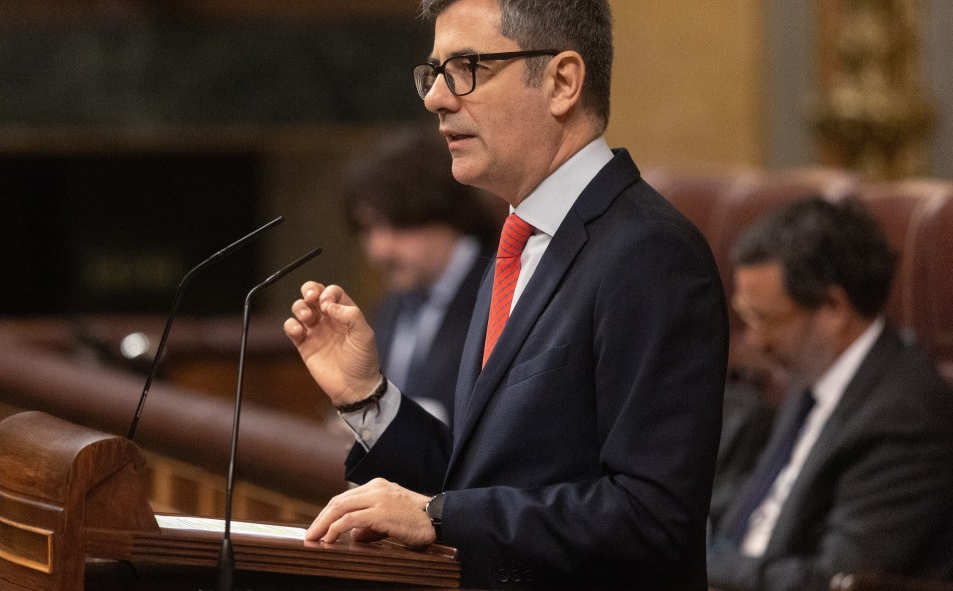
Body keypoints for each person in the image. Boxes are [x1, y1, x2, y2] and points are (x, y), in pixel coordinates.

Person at [284, 0, 729, 587]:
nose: (436, 98)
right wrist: (368, 399)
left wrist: (439, 518)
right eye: (434, 73)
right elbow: (481, 479)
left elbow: (652, 516)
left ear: (562, 81)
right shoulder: (519, 244)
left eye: (468, 67)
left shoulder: (650, 254)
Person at [707, 197, 953, 590]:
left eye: (763, 319)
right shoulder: (813, 376)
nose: (753, 341)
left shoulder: (904, 416)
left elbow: (835, 579)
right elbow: (754, 509)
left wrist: (708, 567)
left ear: (834, 308)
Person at [343, 126, 501, 424]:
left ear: (446, 212)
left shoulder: (503, 291)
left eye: (399, 225)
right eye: (368, 229)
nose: (379, 250)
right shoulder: (394, 303)